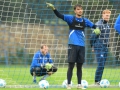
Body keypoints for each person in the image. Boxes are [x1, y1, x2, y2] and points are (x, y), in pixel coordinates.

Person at [46, 2, 100, 89]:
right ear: (75, 11)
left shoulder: (85, 21)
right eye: (78, 9)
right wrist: (54, 9)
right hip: (72, 45)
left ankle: (79, 85)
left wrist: (97, 29)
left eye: (81, 9)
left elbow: (94, 26)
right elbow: (60, 15)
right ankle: (69, 84)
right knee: (71, 65)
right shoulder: (70, 19)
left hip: (81, 46)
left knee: (79, 66)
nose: (80, 11)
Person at [90, 9, 111, 85]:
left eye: (108, 15)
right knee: (101, 64)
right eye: (106, 15)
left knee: (103, 65)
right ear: (102, 15)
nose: (107, 17)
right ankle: (96, 81)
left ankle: (99, 81)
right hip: (99, 46)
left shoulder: (108, 25)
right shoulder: (98, 24)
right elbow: (92, 36)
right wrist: (92, 46)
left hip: (105, 47)